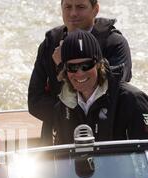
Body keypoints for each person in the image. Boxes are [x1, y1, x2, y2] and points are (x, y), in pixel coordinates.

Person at [50, 30, 148, 178]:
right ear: (64, 71)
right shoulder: (62, 108)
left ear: (99, 63)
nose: (79, 73)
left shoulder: (131, 99)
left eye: (86, 65)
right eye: (72, 67)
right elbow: (62, 169)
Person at [28, 0, 132, 145]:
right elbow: (35, 102)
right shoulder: (50, 44)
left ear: (95, 10)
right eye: (68, 7)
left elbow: (116, 88)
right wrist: (66, 117)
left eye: (81, 7)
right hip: (59, 138)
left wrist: (62, 67)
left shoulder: (114, 43)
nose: (73, 13)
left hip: (107, 139)